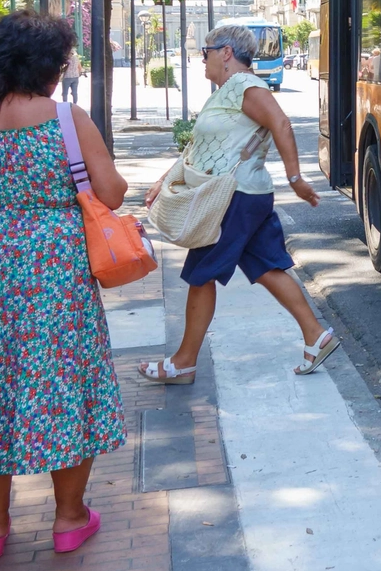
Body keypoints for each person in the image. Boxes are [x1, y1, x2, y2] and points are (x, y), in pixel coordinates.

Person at [0, 11, 129, 559]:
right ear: (50, 66)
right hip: (53, 274)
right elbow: (111, 195)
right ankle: (68, 518)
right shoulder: (67, 119)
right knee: (62, 384)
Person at [139, 24, 332, 385]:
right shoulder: (228, 90)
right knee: (267, 266)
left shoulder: (245, 85)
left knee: (201, 276)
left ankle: (183, 363)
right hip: (245, 195)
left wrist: (296, 179)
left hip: (231, 198)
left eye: (205, 52)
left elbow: (281, 123)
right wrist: (166, 177)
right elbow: (200, 149)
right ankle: (315, 335)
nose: (202, 60)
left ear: (226, 52)